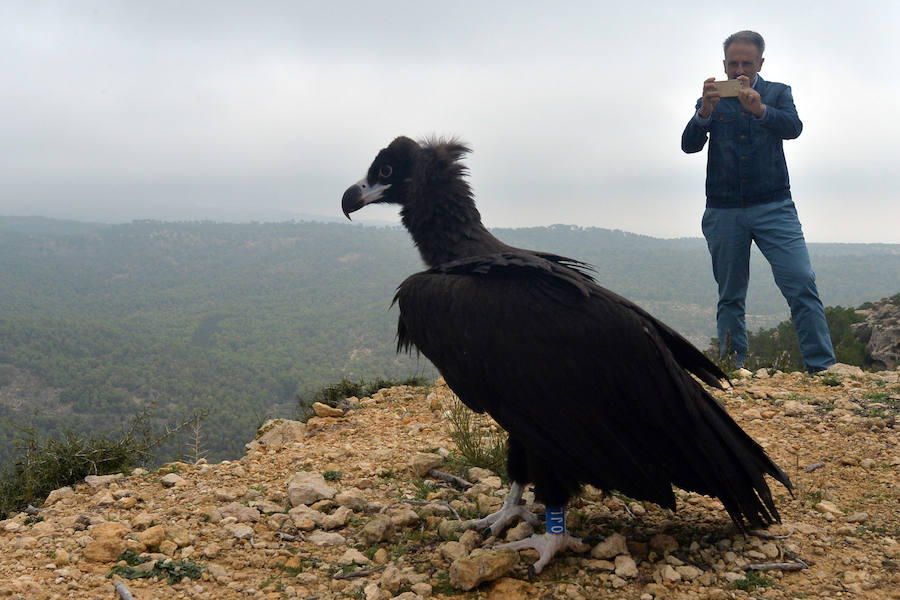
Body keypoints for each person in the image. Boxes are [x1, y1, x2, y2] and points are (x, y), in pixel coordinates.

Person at [681, 30, 835, 373]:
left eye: (746, 63)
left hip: (774, 206)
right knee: (730, 295)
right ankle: (733, 371)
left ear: (760, 63)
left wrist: (761, 110)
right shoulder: (712, 97)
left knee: (800, 283)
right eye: (732, 63)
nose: (739, 70)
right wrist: (704, 112)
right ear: (723, 63)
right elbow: (689, 144)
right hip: (723, 209)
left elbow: (793, 127)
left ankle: (823, 369)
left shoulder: (778, 92)